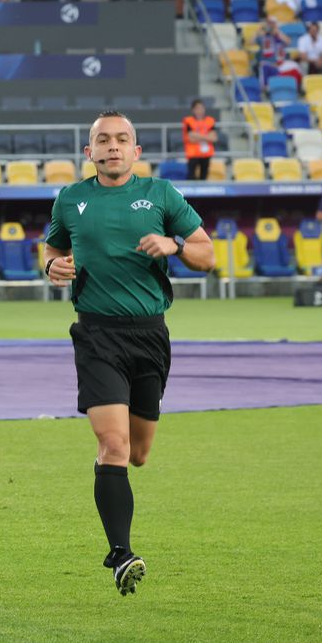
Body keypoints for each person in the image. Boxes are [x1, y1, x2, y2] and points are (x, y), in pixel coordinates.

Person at [43, 110, 215, 597]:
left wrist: (175, 244)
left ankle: (114, 496)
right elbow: (51, 252)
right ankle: (120, 551)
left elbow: (208, 254)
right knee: (113, 444)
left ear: (136, 151)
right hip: (96, 335)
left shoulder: (162, 195)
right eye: (103, 140)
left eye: (122, 140)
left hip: (150, 336)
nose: (112, 146)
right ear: (89, 152)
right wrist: (54, 267)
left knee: (137, 454)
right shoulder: (70, 199)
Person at [182, 99, 217, 181]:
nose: (200, 110)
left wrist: (197, 136)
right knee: (191, 178)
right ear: (193, 110)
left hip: (206, 154)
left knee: (203, 178)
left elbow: (214, 138)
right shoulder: (188, 121)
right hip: (193, 154)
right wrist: (207, 137)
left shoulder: (210, 120)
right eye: (197, 108)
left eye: (201, 108)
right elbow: (191, 138)